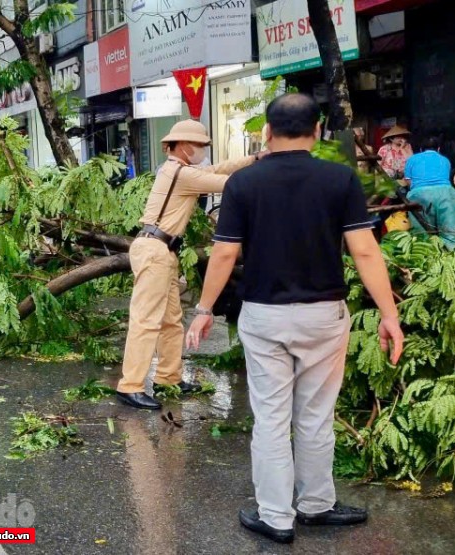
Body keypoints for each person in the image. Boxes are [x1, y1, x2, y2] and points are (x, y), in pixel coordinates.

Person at [185, 94, 404, 544]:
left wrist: (204, 310)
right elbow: (364, 249)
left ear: (267, 131)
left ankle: (276, 517)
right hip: (324, 317)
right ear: (318, 130)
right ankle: (316, 505)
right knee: (316, 416)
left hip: (264, 316)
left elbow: (225, 252)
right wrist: (390, 315)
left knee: (270, 418)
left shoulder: (243, 185)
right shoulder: (339, 179)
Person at [115, 119, 260, 410]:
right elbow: (229, 182)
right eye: (199, 146)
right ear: (182, 145)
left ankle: (169, 377)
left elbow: (214, 170)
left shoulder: (179, 170)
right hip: (155, 251)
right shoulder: (180, 173)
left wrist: (255, 159)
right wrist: (267, 170)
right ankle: (129, 386)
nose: (203, 151)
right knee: (146, 320)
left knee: (170, 320)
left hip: (162, 251)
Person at [405, 136, 455, 248]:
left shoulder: (412, 159)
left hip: (419, 195)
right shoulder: (445, 160)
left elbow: (408, 182)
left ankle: (425, 256)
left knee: (421, 235)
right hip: (446, 194)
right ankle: (454, 256)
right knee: (450, 233)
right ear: (439, 149)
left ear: (421, 149)